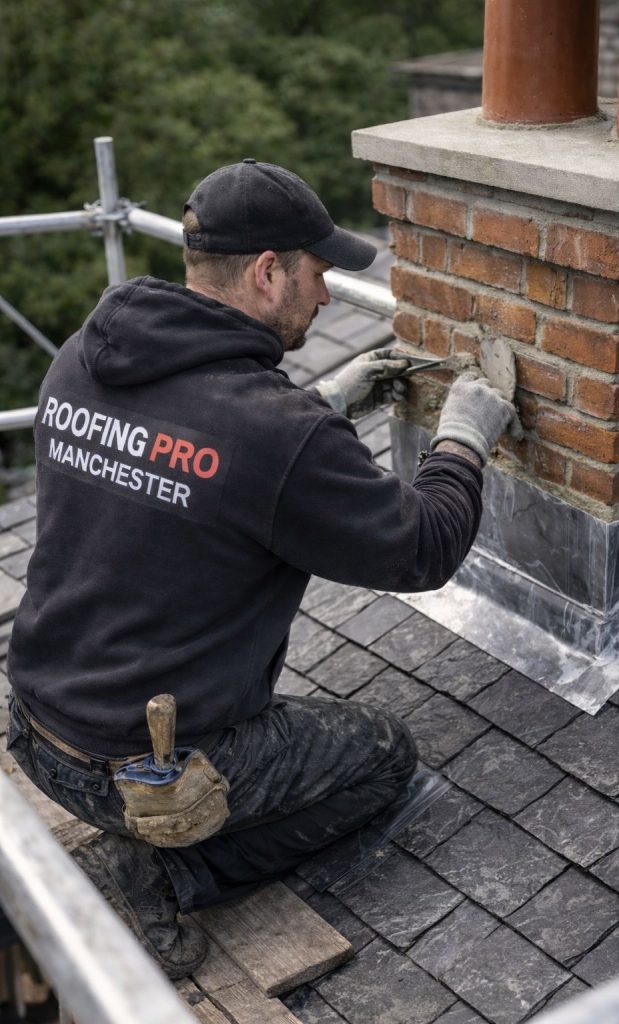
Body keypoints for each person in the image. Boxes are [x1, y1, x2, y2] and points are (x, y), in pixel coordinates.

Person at [6, 160, 517, 978]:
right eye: (316, 275)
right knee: (381, 755)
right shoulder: (275, 435)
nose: (325, 297)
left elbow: (202, 454)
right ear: (266, 270)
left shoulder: (82, 356)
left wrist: (325, 404)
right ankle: (163, 871)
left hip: (32, 723)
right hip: (141, 774)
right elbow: (422, 547)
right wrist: (464, 435)